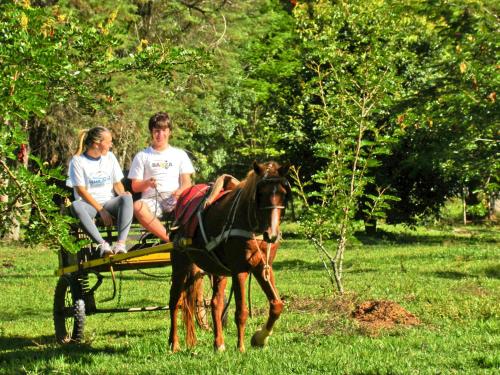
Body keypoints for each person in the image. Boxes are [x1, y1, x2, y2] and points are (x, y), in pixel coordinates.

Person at [128, 112, 194, 242]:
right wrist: (147, 183)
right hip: (152, 201)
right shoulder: (142, 156)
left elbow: (187, 183)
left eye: (164, 130)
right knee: (137, 207)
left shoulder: (179, 154)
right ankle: (170, 239)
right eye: (156, 131)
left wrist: (179, 192)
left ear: (169, 132)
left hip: (175, 200)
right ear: (152, 132)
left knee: (196, 204)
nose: (160, 135)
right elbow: (135, 187)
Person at [67, 127, 133, 257]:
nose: (111, 145)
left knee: (127, 198)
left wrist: (122, 194)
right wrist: (101, 210)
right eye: (108, 142)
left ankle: (120, 245)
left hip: (109, 202)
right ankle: (103, 245)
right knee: (75, 205)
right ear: (97, 144)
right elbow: (81, 191)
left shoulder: (110, 157)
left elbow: (117, 183)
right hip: (89, 205)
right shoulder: (77, 161)